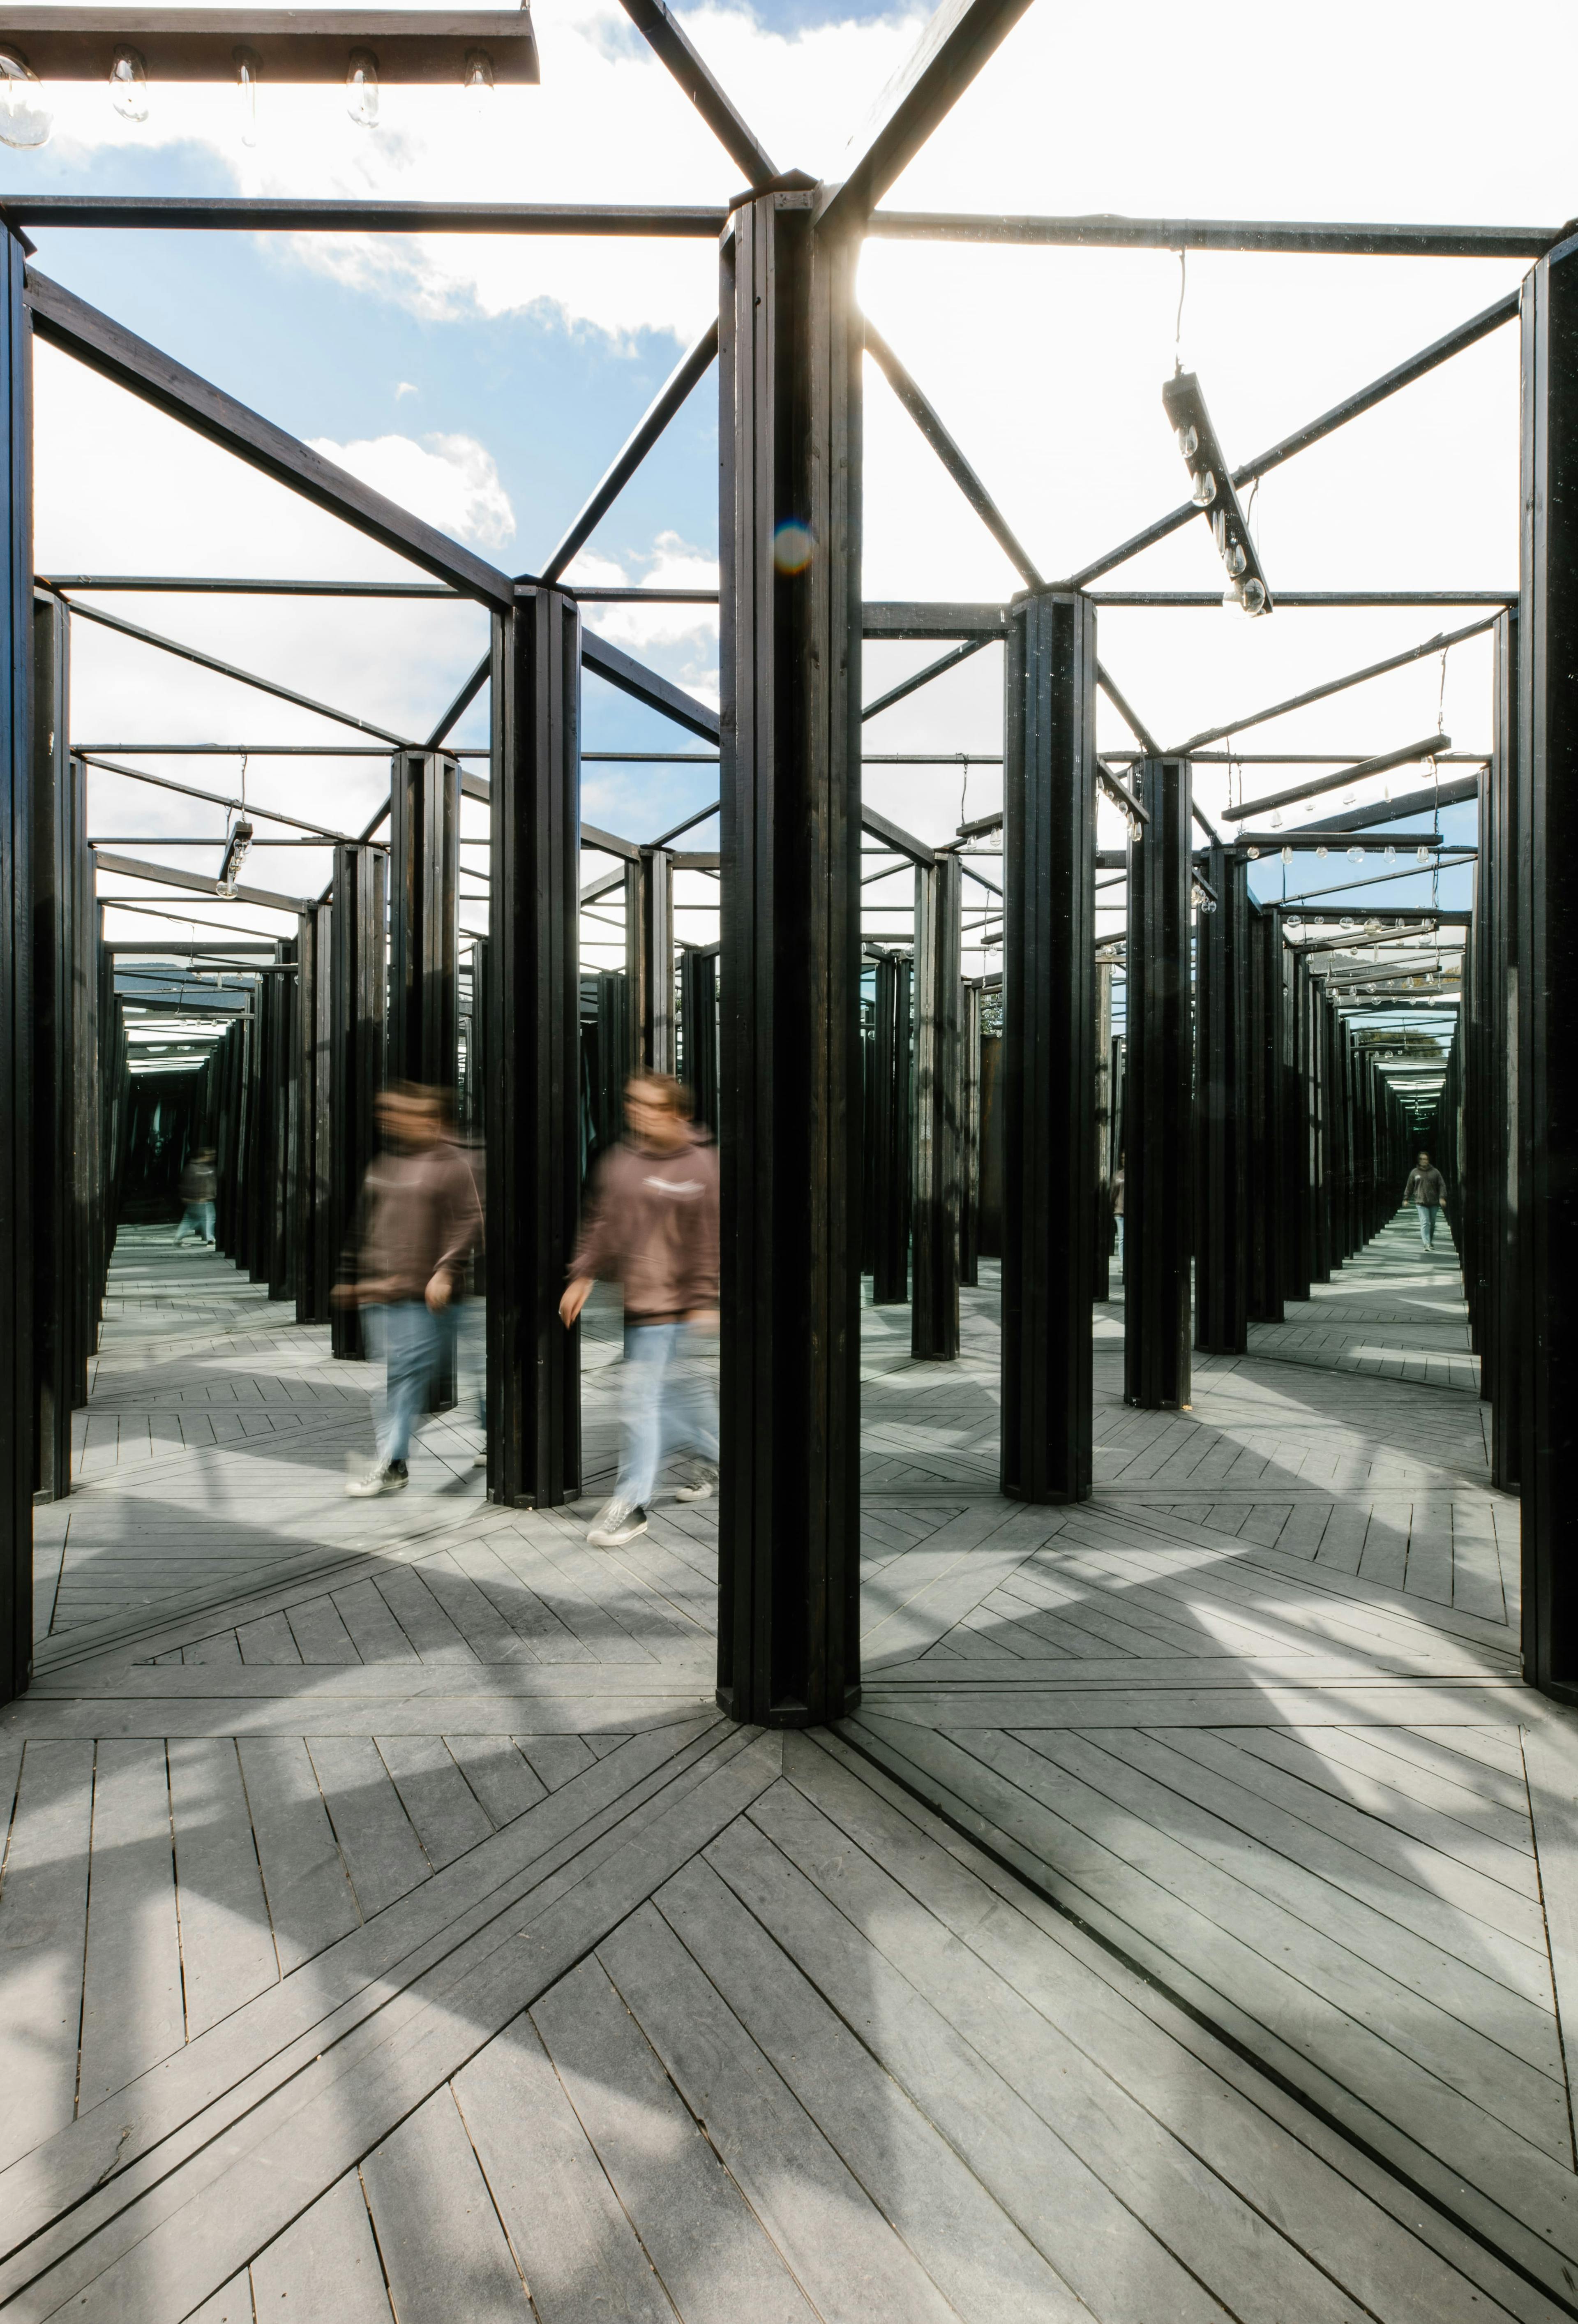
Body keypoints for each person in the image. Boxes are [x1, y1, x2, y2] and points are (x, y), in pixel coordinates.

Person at [560, 1071, 719, 1549]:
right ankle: (715, 1454)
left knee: (640, 1400)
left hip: (677, 1305)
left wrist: (704, 1298)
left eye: (650, 1105)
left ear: (678, 1113)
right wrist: (583, 1273)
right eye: (634, 1103)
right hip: (640, 1302)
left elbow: (709, 1241)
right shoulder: (622, 1160)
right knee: (676, 1394)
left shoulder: (701, 1166)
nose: (638, 1111)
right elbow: (603, 1221)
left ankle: (631, 1505)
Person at [333, 1085, 482, 1497]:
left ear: (431, 1119)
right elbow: (364, 1223)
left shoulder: (453, 1163)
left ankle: (394, 1462)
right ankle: (396, 1459)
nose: (392, 1119)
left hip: (428, 1295)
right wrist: (353, 1274)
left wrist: (447, 1270)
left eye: (403, 1113)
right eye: (389, 1112)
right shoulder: (386, 1163)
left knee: (404, 1379)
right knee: (403, 1378)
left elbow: (471, 1219)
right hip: (385, 1291)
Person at [1403, 1149, 1447, 1251]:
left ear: (1428, 1160)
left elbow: (1442, 1185)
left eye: (1426, 1159)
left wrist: (1442, 1197)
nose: (1424, 1161)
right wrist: (1406, 1198)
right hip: (1421, 1202)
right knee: (1425, 1222)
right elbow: (1409, 1186)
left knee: (1432, 1223)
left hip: (1434, 1202)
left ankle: (1429, 1241)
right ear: (1419, 1161)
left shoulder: (1435, 1172)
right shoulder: (1415, 1173)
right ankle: (1426, 1243)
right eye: (1422, 1159)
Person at [174, 1148, 217, 1247]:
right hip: (202, 1199)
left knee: (190, 1220)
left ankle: (178, 1238)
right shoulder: (200, 1169)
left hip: (198, 1200)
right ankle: (210, 1239)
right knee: (209, 1219)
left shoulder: (194, 1167)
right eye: (209, 1155)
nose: (211, 1157)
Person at [1112, 1154, 1125, 1269]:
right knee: (1122, 1238)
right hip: (1119, 1212)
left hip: (1127, 1212)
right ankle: (1124, 1263)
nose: (1124, 1160)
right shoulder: (1119, 1174)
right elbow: (1113, 1192)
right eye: (1122, 1158)